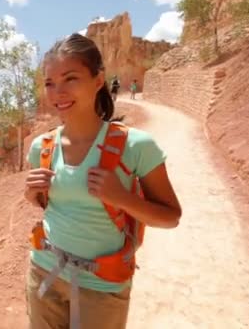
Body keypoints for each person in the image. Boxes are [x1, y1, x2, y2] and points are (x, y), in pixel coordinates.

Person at [24, 33, 182, 329]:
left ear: (98, 80)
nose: (58, 92)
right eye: (49, 83)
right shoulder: (41, 147)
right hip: (44, 271)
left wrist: (122, 197)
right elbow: (53, 206)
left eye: (70, 79)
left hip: (103, 284)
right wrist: (32, 194)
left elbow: (171, 217)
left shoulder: (136, 146)